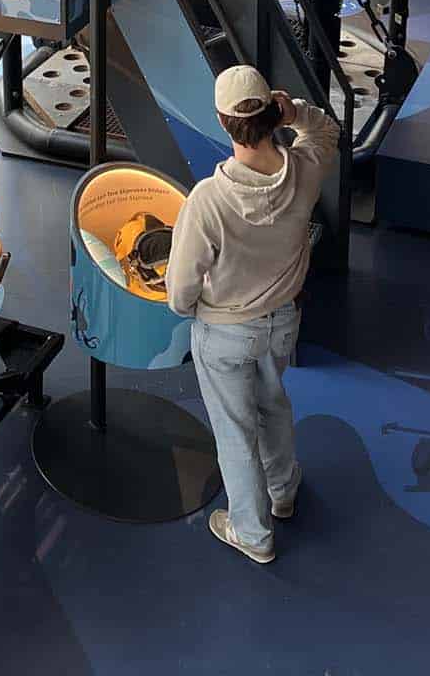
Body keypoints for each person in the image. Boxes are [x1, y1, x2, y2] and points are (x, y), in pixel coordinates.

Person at [166, 65, 341, 566]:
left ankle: (252, 533)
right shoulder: (305, 169)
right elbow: (326, 129)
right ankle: (283, 492)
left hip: (224, 332)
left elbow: (180, 292)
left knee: (235, 431)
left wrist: (194, 308)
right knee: (273, 406)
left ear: (223, 122)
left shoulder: (207, 200)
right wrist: (296, 113)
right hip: (282, 322)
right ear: (272, 112)